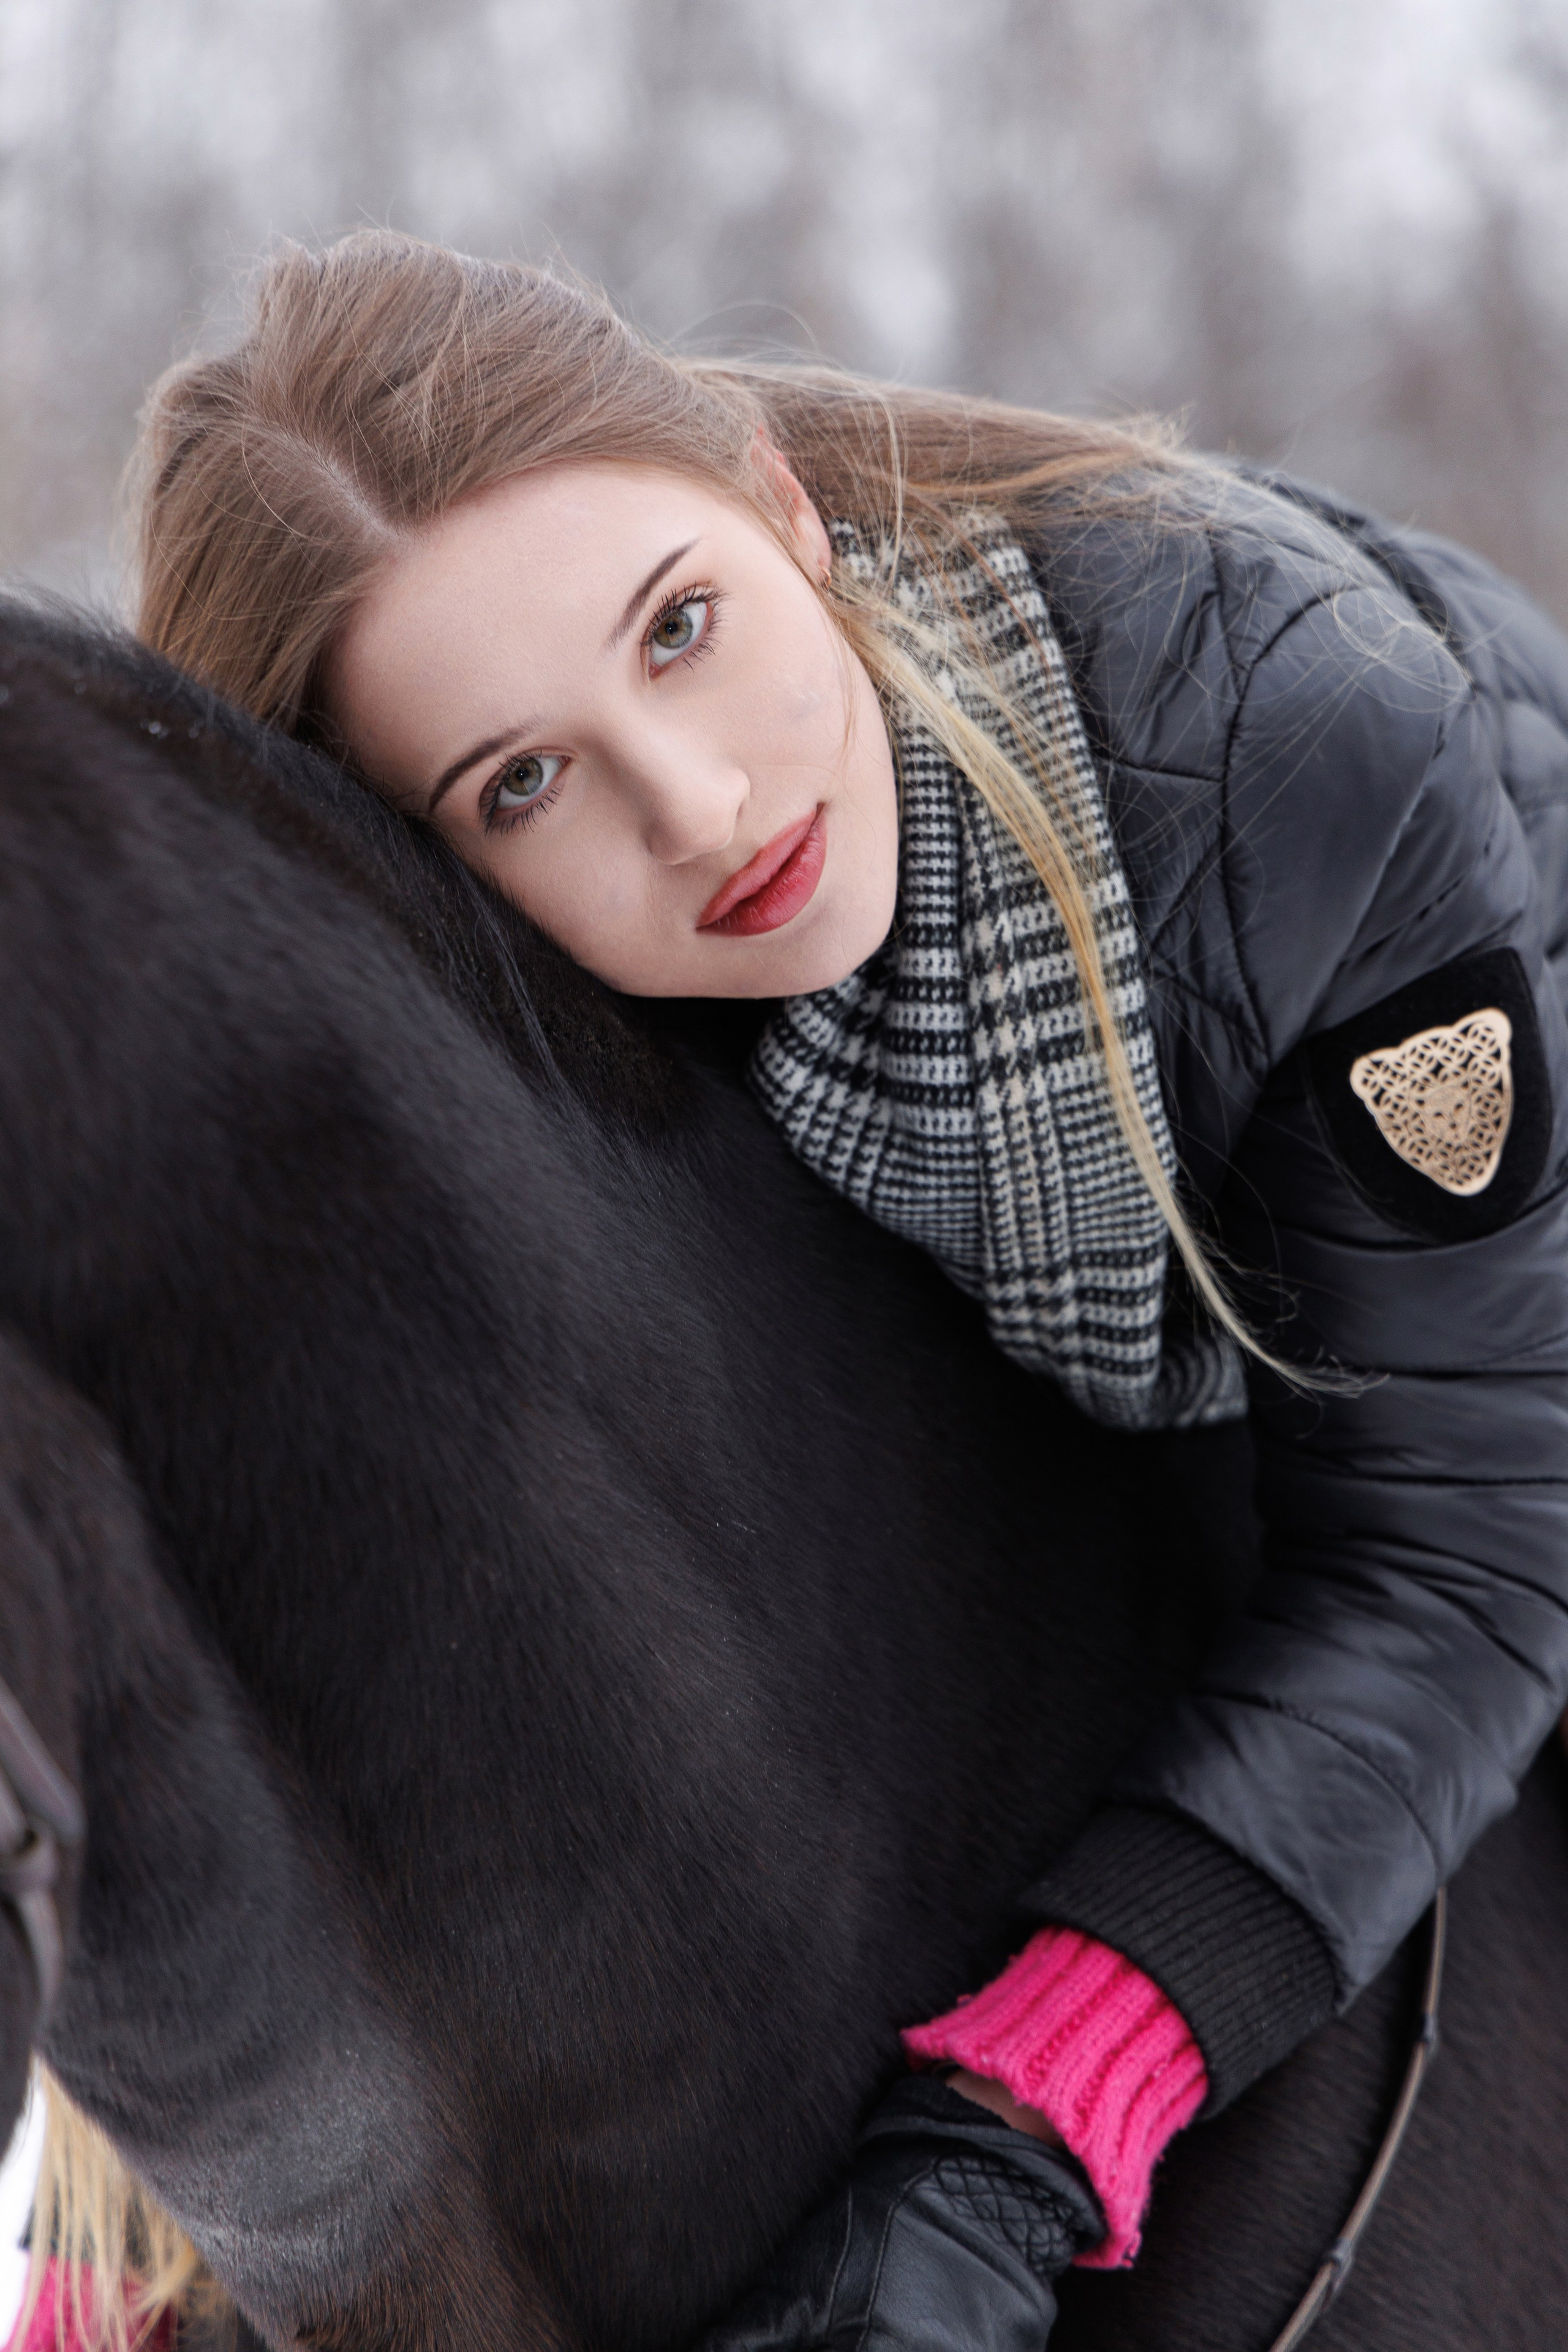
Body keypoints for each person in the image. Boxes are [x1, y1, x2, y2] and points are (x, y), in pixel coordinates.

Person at [127, 230, 1568, 2343]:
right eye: (523, 780)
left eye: (684, 628)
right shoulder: (530, 1010)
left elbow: (1464, 1548)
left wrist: (1029, 2118)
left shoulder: (1301, 753)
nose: (698, 808)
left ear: (783, 510)